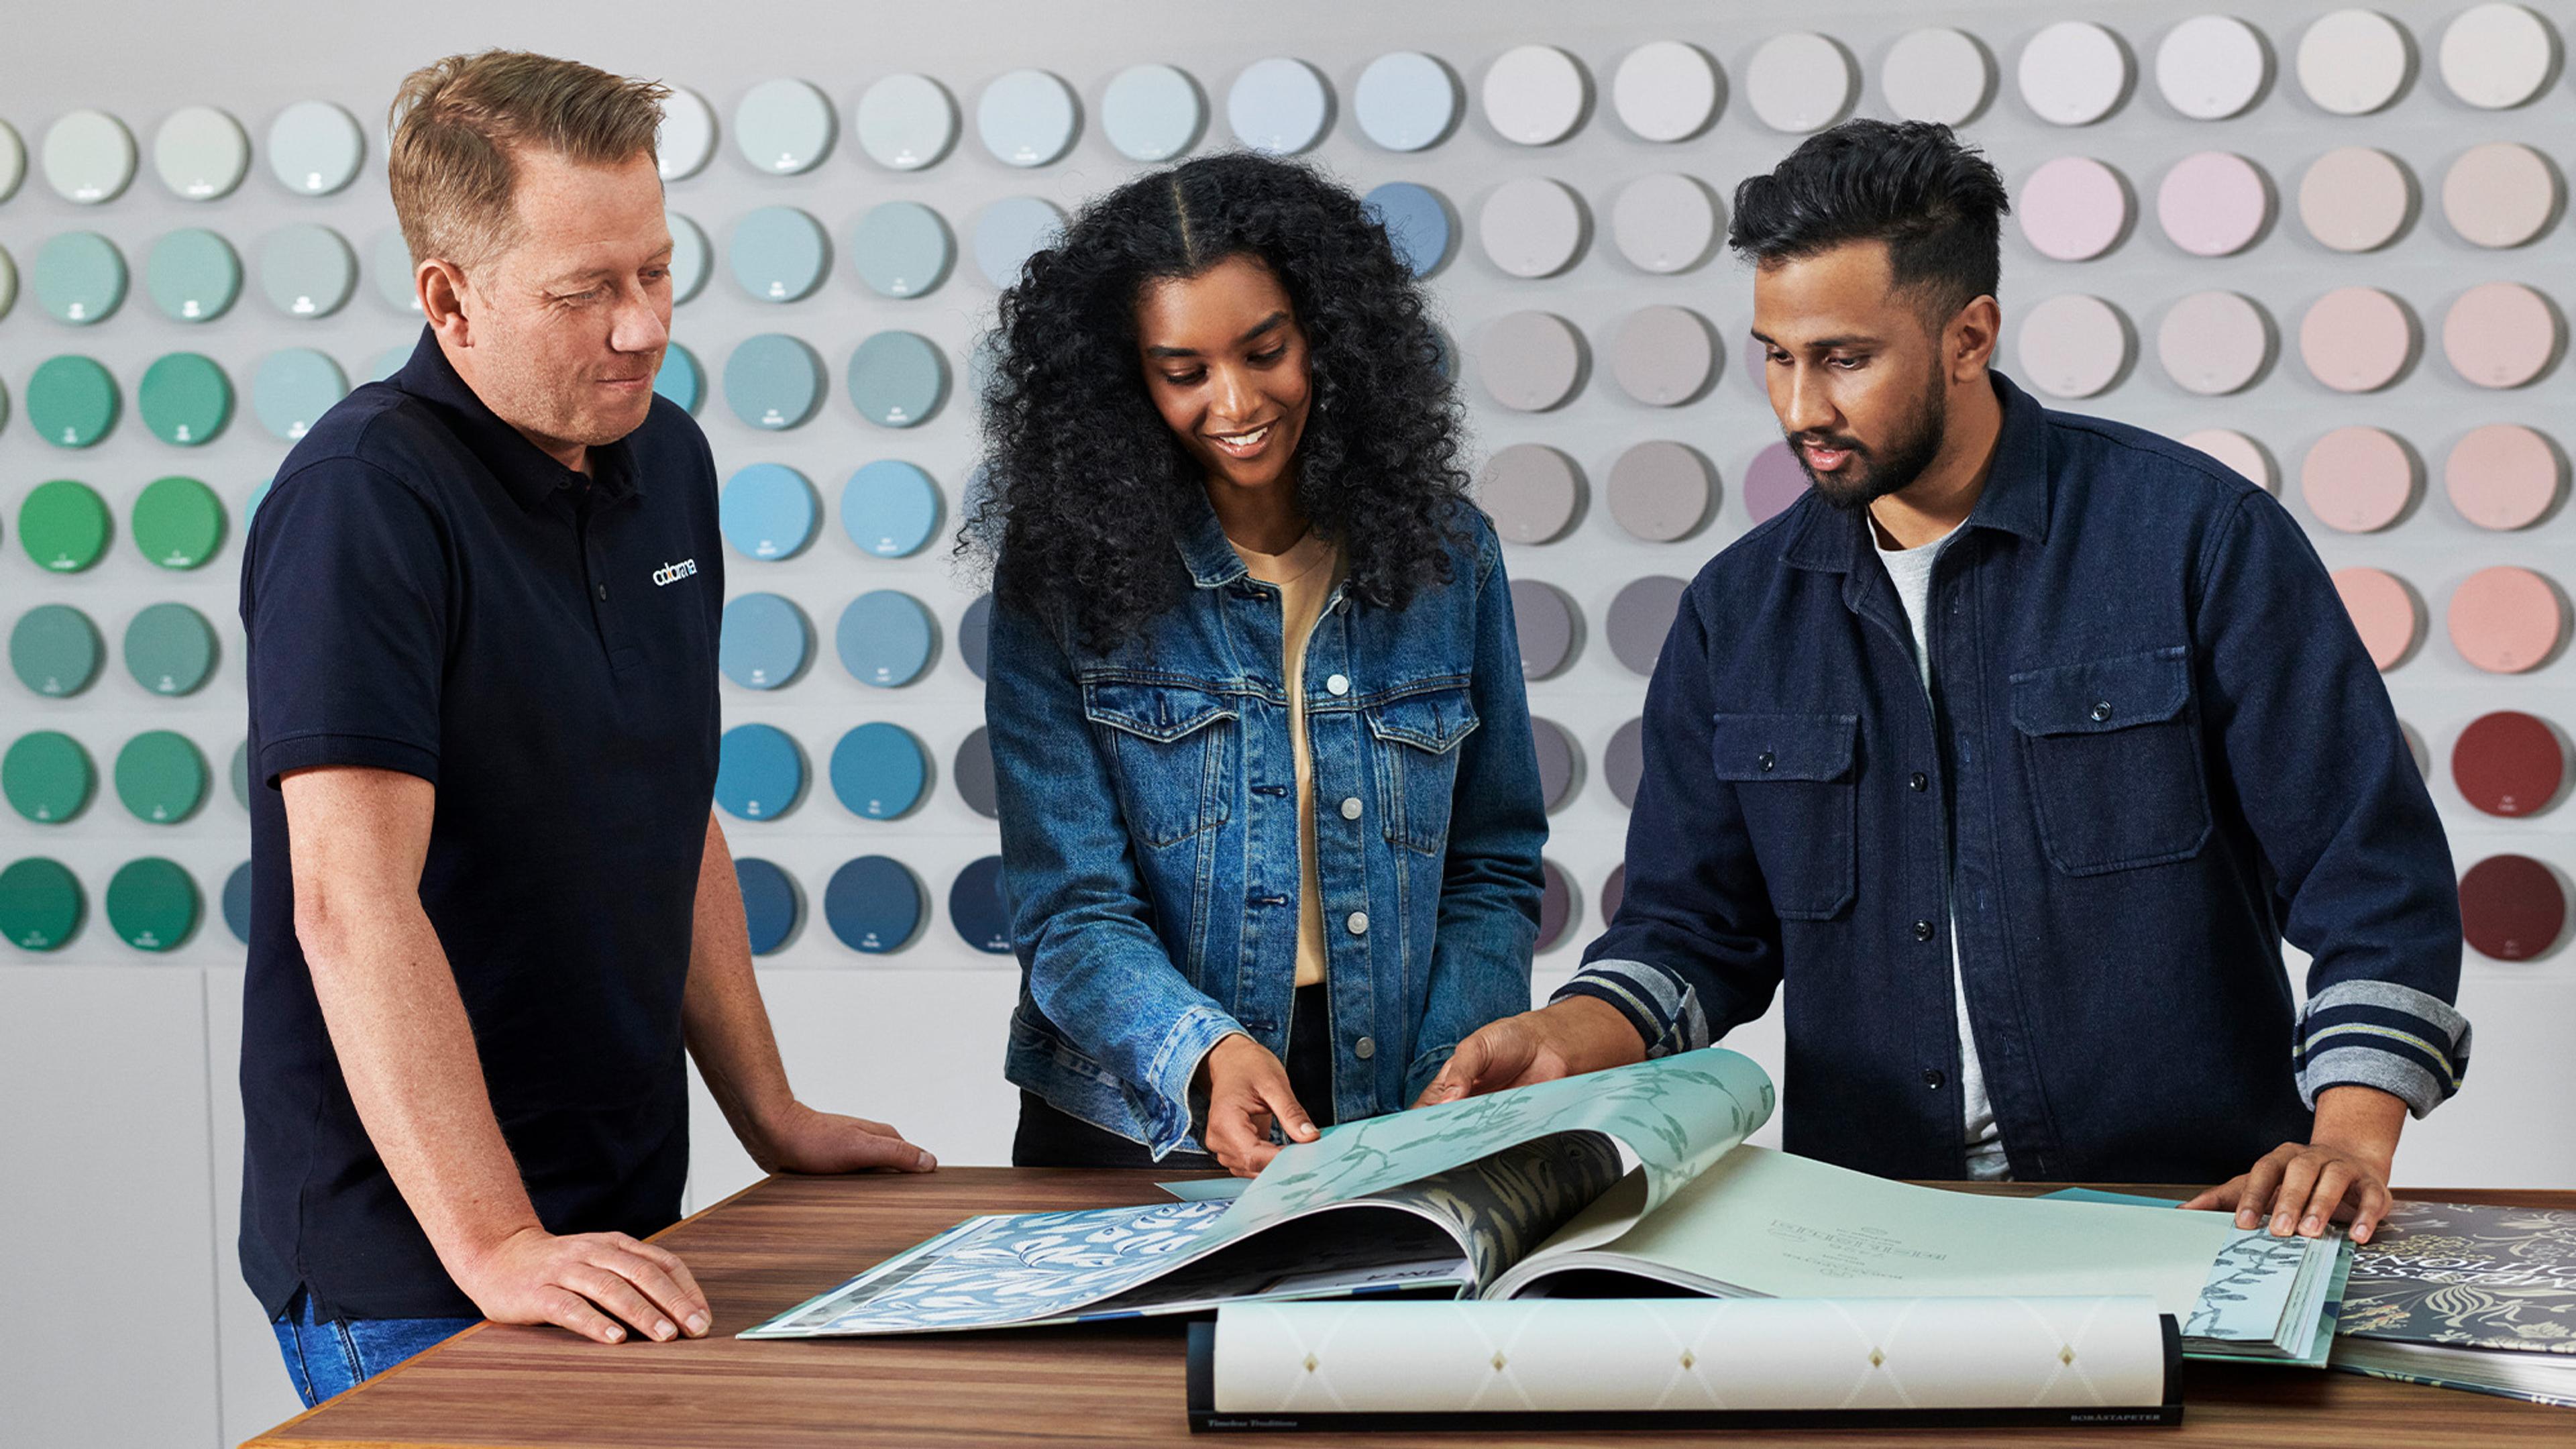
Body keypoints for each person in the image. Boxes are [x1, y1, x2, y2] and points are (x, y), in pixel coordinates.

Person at [1421, 120, 2468, 1246]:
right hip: (1868, 1231)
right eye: (1776, 354)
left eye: (1845, 358)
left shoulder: (2199, 543)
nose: (1799, 409)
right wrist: (1567, 1034)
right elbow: (1693, 927)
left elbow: (2374, 881)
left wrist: (2349, 1139)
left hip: (2193, 1212)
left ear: (1969, 337)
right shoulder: (1738, 613)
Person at [237, 51, 930, 1405]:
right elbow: (349, 902)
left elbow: (674, 806)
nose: (640, 328)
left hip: (622, 1218)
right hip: (421, 1262)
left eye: (655, 272)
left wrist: (769, 1116)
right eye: (584, 292)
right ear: (449, 298)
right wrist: (496, 1241)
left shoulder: (665, 459)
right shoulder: (361, 501)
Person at [967, 153, 1548, 1175]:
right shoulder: (1061, 580)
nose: (1235, 403)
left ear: (1328, 336)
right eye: (1184, 373)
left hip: (1395, 1091)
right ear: (1128, 381)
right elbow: (1071, 908)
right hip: (1136, 1105)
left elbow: (1491, 865)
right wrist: (1206, 1053)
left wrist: (1443, 1082)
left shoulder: (1452, 558)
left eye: (1265, 352)